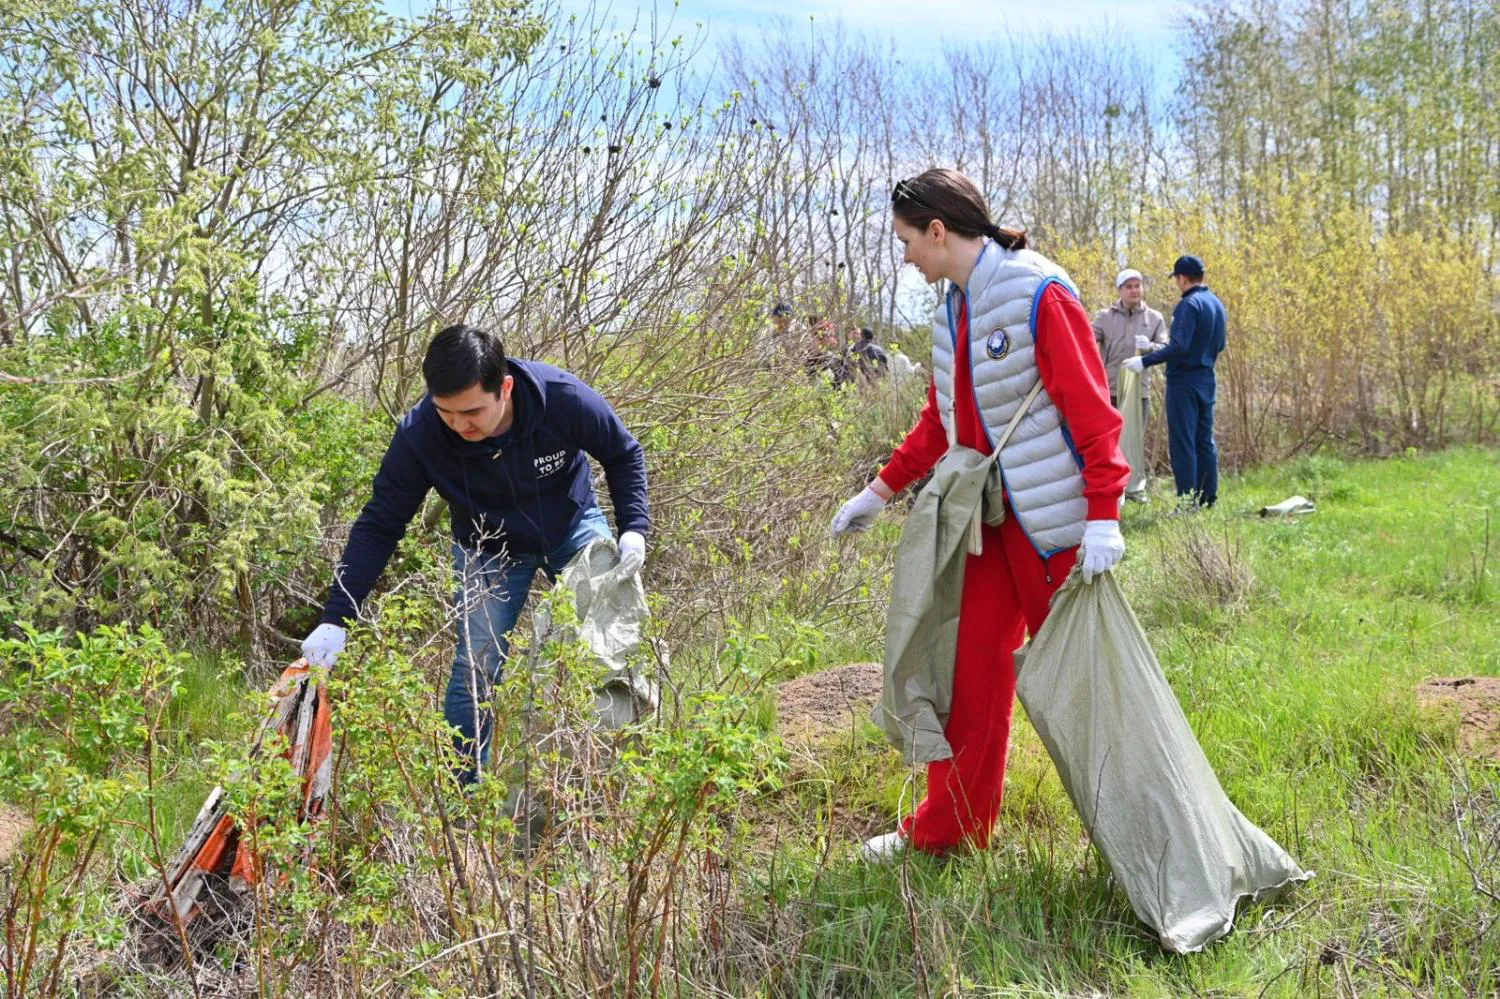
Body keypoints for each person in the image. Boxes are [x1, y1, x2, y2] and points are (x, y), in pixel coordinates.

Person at [829, 169, 1130, 860]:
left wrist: (1104, 514)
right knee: (970, 673)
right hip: (987, 524)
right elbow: (944, 421)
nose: (904, 256)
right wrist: (878, 492)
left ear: (939, 231)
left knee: (1082, 688)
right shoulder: (951, 312)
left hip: (1057, 527)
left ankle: (1139, 843)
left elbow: (1092, 409)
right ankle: (950, 830)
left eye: (907, 240)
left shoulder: (1040, 291)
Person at [300, 324, 650, 784]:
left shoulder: (562, 398)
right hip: (488, 549)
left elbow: (624, 454)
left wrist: (634, 530)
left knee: (607, 646)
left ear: (504, 387)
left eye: (471, 412)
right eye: (446, 412)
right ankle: (465, 798)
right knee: (476, 667)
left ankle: (610, 779)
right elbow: (381, 523)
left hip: (571, 525)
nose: (460, 425)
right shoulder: (421, 435)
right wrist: (337, 615)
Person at [1123, 255, 1226, 508]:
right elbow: (1220, 344)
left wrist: (1145, 361)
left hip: (1184, 381)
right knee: (1204, 439)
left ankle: (1186, 502)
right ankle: (1208, 498)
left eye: (1177, 279)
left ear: (1182, 278)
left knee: (1183, 442)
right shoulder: (1216, 304)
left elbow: (1179, 346)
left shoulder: (1188, 305)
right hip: (1206, 377)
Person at [1092, 268, 1167, 407]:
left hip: (1139, 391)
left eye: (1137, 286)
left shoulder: (1154, 318)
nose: (1134, 290)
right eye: (1129, 287)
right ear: (1120, 290)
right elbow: (1086, 341)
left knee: (1135, 430)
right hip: (1109, 390)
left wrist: (1149, 347)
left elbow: (1165, 348)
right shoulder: (1104, 316)